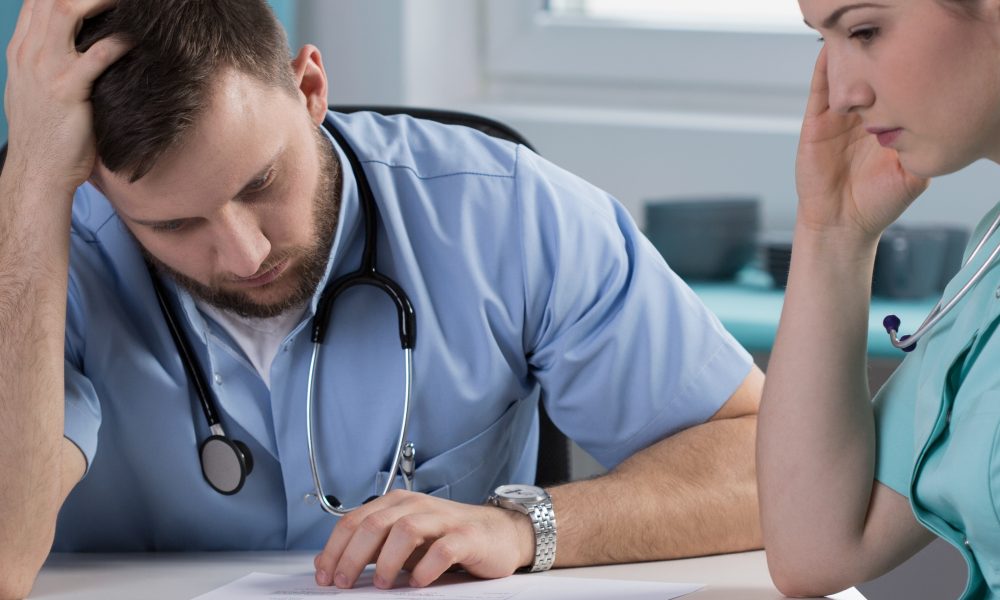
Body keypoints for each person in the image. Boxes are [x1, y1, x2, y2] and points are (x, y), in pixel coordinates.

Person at [0, 0, 764, 597]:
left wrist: (527, 526)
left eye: (260, 183)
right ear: (94, 184)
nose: (245, 253)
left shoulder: (506, 213)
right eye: (172, 223)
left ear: (309, 88)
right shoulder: (36, 259)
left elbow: (765, 470)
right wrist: (32, 188)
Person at [758, 0, 1000, 598]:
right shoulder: (991, 262)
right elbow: (815, 550)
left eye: (865, 31)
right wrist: (832, 232)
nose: (840, 95)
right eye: (824, 43)